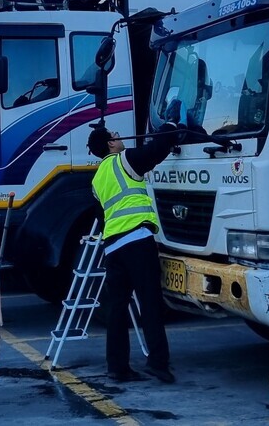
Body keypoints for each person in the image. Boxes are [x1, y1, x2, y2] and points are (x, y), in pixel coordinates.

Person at [86, 100, 188, 384]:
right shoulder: (125, 161)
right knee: (150, 303)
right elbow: (156, 150)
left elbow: (102, 216)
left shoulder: (96, 180)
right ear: (110, 145)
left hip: (113, 249)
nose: (120, 139)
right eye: (116, 137)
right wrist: (169, 124)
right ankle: (158, 363)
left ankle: (117, 367)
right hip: (137, 242)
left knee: (117, 309)